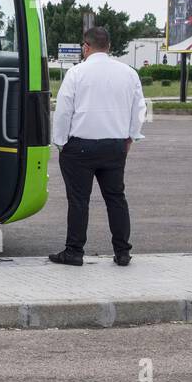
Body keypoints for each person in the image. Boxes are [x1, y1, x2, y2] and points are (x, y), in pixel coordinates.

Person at [49, 26, 146, 267]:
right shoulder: (129, 73)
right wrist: (130, 137)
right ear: (109, 47)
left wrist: (60, 142)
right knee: (116, 199)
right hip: (115, 146)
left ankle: (74, 252)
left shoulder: (76, 73)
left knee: (79, 200)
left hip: (79, 147)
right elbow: (139, 110)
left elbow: (63, 111)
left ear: (86, 46)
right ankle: (122, 252)